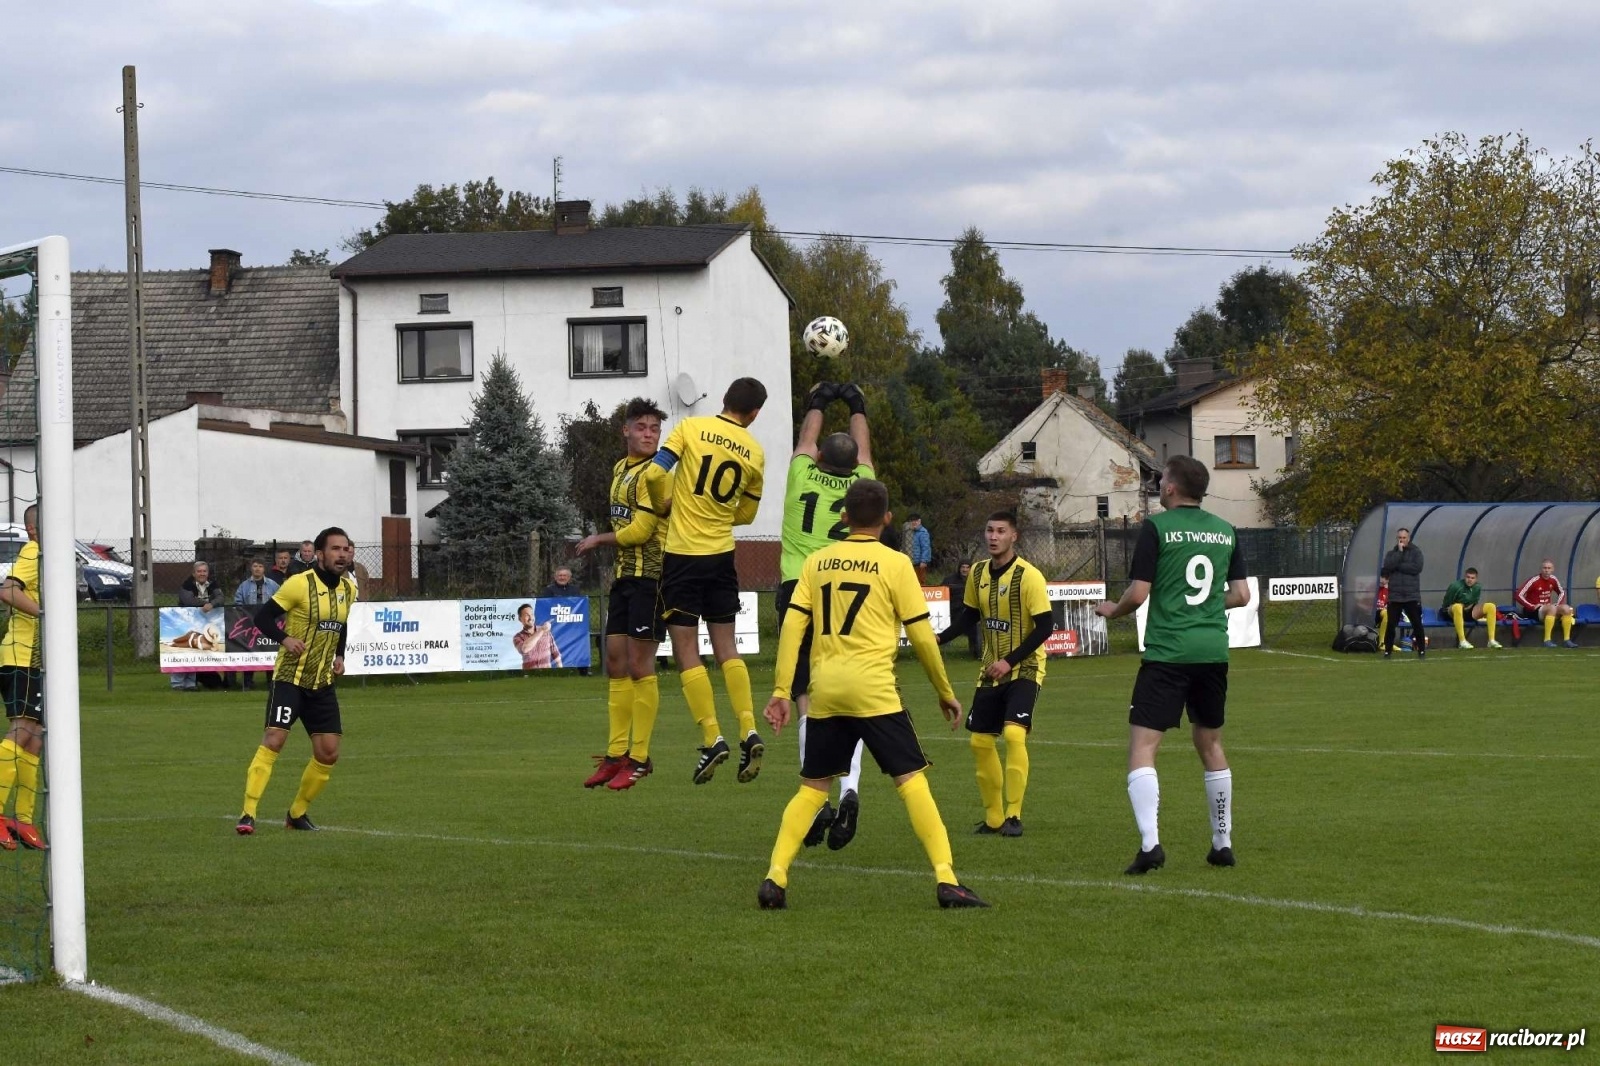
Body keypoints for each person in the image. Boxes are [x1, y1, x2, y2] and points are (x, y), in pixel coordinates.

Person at [759, 479, 986, 910]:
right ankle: (947, 879)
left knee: (812, 789)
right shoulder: (896, 563)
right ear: (886, 519)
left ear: (843, 517)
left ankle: (775, 877)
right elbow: (920, 634)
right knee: (912, 782)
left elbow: (793, 628)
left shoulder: (817, 561)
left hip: (825, 691)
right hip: (875, 692)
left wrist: (782, 691)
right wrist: (944, 690)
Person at [1095, 455, 1249, 875]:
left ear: (1171, 488)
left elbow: (1139, 593)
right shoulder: (1226, 531)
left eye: (1162, 479)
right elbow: (1241, 596)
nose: (1160, 485)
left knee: (1143, 749)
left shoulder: (1157, 528)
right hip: (1213, 652)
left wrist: (1113, 611)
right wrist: (1200, 607)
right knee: (1211, 745)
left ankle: (1150, 845)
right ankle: (1223, 843)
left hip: (1168, 654)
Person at [652, 377, 767, 785]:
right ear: (754, 414)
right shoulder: (755, 451)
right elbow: (748, 516)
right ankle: (749, 729)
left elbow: (654, 473)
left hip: (683, 556)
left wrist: (666, 504)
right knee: (727, 648)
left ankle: (712, 737)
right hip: (722, 557)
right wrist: (718, 517)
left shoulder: (690, 428)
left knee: (686, 650)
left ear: (723, 400)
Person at [775, 380, 873, 848]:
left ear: (817, 459)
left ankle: (816, 799)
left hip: (799, 586)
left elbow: (805, 440)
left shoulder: (801, 474)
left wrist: (818, 400)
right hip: (843, 587)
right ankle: (850, 788)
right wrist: (856, 404)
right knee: (845, 699)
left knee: (805, 700)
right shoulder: (862, 484)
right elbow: (865, 451)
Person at [235, 527, 358, 835]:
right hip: (290, 678)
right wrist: (285, 638)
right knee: (275, 739)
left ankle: (297, 814)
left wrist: (339, 656)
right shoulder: (297, 585)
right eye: (335, 549)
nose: (342, 554)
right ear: (319, 554)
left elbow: (340, 626)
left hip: (322, 682)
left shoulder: (349, 589)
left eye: (346, 548)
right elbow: (263, 618)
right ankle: (248, 813)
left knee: (328, 752)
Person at [574, 398, 671, 792]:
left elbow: (641, 532)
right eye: (642, 427)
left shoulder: (658, 474)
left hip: (652, 577)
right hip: (624, 578)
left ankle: (640, 757)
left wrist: (598, 538)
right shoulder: (620, 469)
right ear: (626, 430)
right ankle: (616, 755)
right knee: (615, 662)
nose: (649, 434)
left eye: (654, 429)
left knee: (639, 665)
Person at [937, 511, 1053, 838]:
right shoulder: (977, 573)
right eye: (989, 530)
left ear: (1013, 536)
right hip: (991, 669)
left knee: (1015, 735)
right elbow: (969, 616)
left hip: (1026, 666)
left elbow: (1045, 626)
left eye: (1001, 531)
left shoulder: (1029, 576)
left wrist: (1010, 660)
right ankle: (993, 818)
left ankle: (1014, 815)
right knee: (979, 742)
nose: (993, 536)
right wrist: (939, 639)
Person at [0, 504, 47, 850]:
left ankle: (24, 819)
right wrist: (46, 613)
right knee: (22, 731)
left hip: (37, 662)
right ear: (33, 529)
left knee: (36, 737)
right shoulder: (34, 551)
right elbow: (7, 590)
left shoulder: (51, 556)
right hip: (20, 657)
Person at [176, 561, 226, 690]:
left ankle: (191, 683)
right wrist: (207, 603)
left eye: (204, 571)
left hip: (206, 625)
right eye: (199, 571)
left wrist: (212, 604)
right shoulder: (187, 585)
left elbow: (220, 598)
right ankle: (177, 683)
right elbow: (188, 600)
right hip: (186, 623)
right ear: (194, 573)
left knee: (197, 653)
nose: (202, 573)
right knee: (183, 652)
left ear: (208, 573)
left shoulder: (213, 584)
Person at [233, 559, 281, 691]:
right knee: (250, 652)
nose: (258, 569)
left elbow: (281, 600)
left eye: (260, 566)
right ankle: (248, 682)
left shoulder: (273, 585)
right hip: (250, 624)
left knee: (270, 651)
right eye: (255, 566)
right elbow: (237, 602)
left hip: (269, 623)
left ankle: (271, 682)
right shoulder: (244, 586)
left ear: (264, 569)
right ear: (251, 568)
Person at [1379, 528, 1425, 659]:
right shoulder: (1391, 553)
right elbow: (1387, 566)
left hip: (1411, 594)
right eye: (1400, 537)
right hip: (1395, 595)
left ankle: (1421, 650)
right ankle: (1388, 650)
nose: (1402, 540)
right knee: (1391, 625)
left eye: (1404, 537)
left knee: (1417, 623)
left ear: (1408, 538)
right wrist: (1399, 554)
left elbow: (1417, 568)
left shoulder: (1416, 552)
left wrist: (1398, 566)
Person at [1515, 559, 1578, 648]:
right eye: (1545, 568)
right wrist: (1531, 606)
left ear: (1552, 569)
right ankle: (1547, 640)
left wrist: (1558, 604)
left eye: (1549, 568)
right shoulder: (1534, 580)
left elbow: (1562, 592)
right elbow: (1518, 595)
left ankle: (1567, 640)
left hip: (1547, 609)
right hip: (1532, 611)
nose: (1547, 570)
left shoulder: (1553, 579)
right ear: (1541, 569)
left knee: (1566, 609)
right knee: (1551, 608)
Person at [541, 566, 589, 676]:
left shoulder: (575, 590)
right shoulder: (549, 590)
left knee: (581, 640)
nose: (562, 577)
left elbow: (579, 606)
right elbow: (544, 606)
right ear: (555, 577)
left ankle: (583, 670)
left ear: (569, 577)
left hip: (573, 624)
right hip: (554, 625)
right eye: (560, 575)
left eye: (564, 575)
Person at [1441, 567, 1501, 650]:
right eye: (1468, 577)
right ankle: (1462, 641)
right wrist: (1460, 606)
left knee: (1491, 606)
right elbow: (1446, 604)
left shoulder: (1477, 587)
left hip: (1467, 611)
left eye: (1472, 578)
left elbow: (1474, 603)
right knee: (1457, 607)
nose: (1470, 580)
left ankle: (1491, 640)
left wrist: (1478, 614)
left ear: (1476, 579)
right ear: (1464, 577)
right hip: (1452, 612)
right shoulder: (1455, 586)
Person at [943, 561, 980, 658]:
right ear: (959, 568)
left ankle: (975, 652)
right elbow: (941, 595)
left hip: (970, 612)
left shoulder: (977, 580)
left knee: (974, 623)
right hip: (952, 612)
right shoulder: (949, 580)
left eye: (967, 567)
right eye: (963, 567)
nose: (964, 570)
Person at [907, 514, 932, 584]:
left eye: (916, 520)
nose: (914, 522)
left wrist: (924, 561)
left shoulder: (923, 532)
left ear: (919, 521)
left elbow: (926, 547)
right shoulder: (909, 532)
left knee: (920, 582)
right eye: (912, 521)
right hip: (910, 562)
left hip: (919, 563)